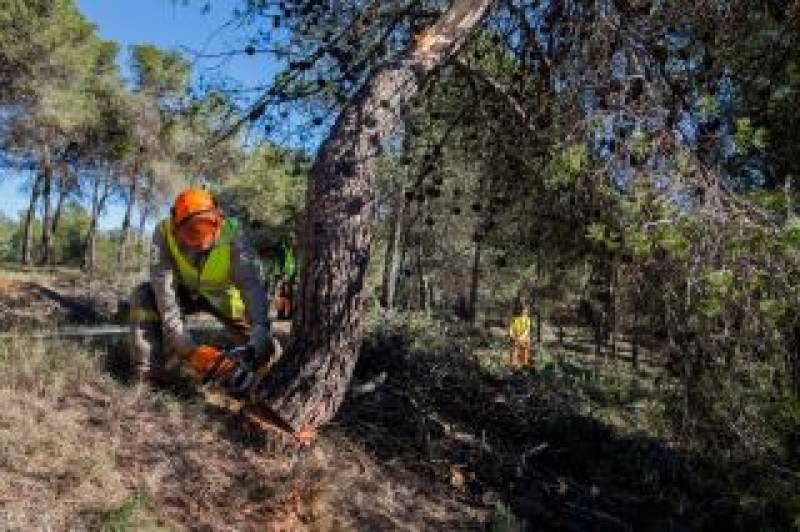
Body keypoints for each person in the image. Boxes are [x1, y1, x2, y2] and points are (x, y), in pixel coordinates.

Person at [128, 188, 275, 391]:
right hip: (185, 292)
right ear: (175, 225)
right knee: (144, 294)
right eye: (191, 232)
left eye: (208, 229)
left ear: (218, 217)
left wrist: (260, 326)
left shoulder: (234, 233)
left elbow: (250, 284)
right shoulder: (163, 233)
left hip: (222, 297)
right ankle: (150, 373)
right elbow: (165, 292)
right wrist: (186, 347)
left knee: (261, 347)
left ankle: (257, 374)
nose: (201, 241)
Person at [509, 303, 532, 369]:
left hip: (524, 339)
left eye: (526, 310)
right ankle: (515, 364)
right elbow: (511, 329)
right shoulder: (514, 319)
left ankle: (524, 364)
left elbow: (527, 330)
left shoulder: (527, 320)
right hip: (516, 338)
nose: (524, 311)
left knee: (524, 347)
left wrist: (521, 338)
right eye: (523, 310)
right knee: (515, 349)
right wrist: (512, 336)